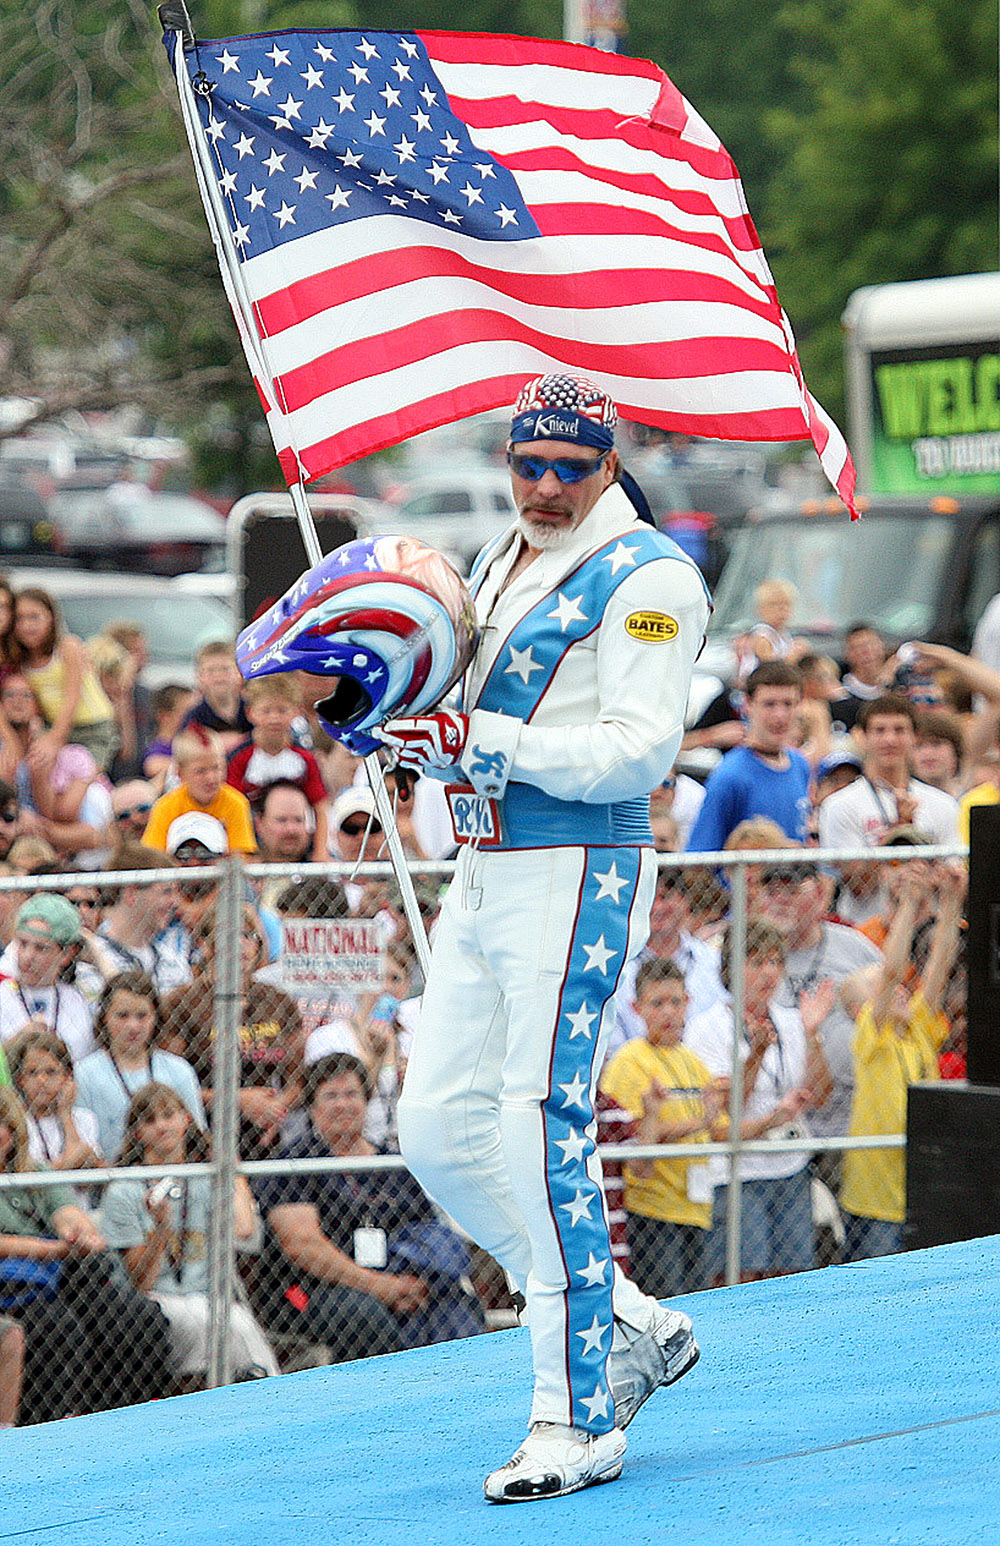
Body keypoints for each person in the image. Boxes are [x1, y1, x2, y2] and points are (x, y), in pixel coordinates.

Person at [372, 374, 711, 1500]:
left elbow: (639, 750)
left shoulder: (650, 574)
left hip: (579, 865)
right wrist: (401, 719)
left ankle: (574, 1418)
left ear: (610, 464)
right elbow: (464, 716)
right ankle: (625, 1323)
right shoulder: (496, 559)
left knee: (539, 1122)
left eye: (572, 465)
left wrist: (488, 737)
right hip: (480, 864)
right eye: (530, 463)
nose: (548, 485)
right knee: (434, 1125)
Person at [256, 1054, 483, 1362]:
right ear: (312, 1106)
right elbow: (302, 1246)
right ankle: (400, 1395)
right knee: (363, 1316)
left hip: (398, 1280)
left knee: (455, 1304)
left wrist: (414, 1284)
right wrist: (378, 1286)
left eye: (351, 1094)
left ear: (366, 1101)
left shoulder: (390, 1164)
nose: (342, 1105)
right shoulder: (295, 1163)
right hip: (310, 1290)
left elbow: (428, 1233)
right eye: (330, 1096)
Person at [0, 1084, 172, 1424]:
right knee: (58, 1327)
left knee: (135, 1316)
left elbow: (64, 1209)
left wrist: (76, 1232)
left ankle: (123, 1416)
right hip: (12, 1283)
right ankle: (52, 1427)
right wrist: (52, 1249)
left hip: (53, 1273)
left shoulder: (33, 1172)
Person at [101, 1082, 279, 1388]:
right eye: (150, 1120)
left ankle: (265, 1388)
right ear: (137, 1133)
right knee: (203, 1318)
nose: (162, 1126)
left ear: (186, 1120)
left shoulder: (204, 1178)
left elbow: (244, 1230)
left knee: (232, 1318)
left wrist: (229, 1166)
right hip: (157, 1302)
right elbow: (140, 1281)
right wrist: (160, 1229)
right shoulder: (124, 1189)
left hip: (208, 1298)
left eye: (169, 1115)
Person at [684, 921, 834, 1282]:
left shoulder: (791, 1020)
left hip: (790, 1168)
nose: (768, 972)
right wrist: (757, 1055)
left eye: (774, 962)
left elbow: (821, 1093)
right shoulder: (707, 1028)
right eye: (755, 962)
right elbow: (727, 1112)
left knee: (794, 1276)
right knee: (744, 1276)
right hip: (739, 1173)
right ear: (732, 969)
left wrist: (813, 1035)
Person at [839, 863, 964, 1259]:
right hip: (876, 1200)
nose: (895, 991)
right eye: (880, 990)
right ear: (863, 1007)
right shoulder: (874, 1038)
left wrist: (951, 900)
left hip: (918, 1183)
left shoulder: (917, 1032)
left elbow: (939, 966)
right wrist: (909, 904)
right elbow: (893, 969)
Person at [600, 960, 727, 1297]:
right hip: (653, 1212)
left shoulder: (691, 1061)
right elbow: (634, 1135)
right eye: (657, 1004)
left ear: (688, 1002)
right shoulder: (631, 1060)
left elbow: (719, 1128)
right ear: (636, 1008)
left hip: (695, 1209)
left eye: (676, 1002)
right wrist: (700, 1121)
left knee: (700, 1303)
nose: (668, 1012)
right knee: (667, 1303)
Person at [159, 905, 303, 1161]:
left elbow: (299, 1078)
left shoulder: (278, 1001)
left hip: (267, 1132)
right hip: (203, 1135)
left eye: (249, 936)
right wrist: (237, 1100)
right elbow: (170, 1085)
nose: (242, 945)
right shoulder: (182, 1003)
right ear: (206, 945)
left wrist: (276, 1109)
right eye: (229, 936)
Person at [817, 693, 960, 923]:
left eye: (899, 730)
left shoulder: (942, 804)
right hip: (865, 931)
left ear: (915, 736)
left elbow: (953, 879)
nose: (890, 740)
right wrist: (900, 831)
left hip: (925, 932)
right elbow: (859, 886)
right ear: (862, 737)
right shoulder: (839, 805)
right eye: (880, 730)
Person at [73, 972, 205, 1162]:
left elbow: (195, 1132)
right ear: (105, 1017)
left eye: (142, 1016)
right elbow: (84, 1143)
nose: (133, 1026)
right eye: (122, 1016)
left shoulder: (179, 1070)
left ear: (155, 1017)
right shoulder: (84, 1073)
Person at [686, 662, 812, 852]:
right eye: (769, 704)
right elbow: (702, 852)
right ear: (748, 705)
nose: (779, 715)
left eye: (788, 704)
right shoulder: (730, 775)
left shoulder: (800, 764)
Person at [606, 867, 725, 1062]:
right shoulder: (617, 968)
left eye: (666, 896)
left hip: (706, 1072)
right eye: (650, 898)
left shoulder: (713, 962)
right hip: (639, 1075)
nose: (658, 907)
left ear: (685, 902)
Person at [10, 587, 117, 771]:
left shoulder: (67, 646)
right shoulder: (22, 659)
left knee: (81, 777)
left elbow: (72, 697)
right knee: (39, 767)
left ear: (51, 618)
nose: (27, 626)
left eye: (34, 617)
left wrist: (54, 738)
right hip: (52, 727)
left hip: (92, 729)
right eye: (20, 619)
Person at [227, 676, 328, 858]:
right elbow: (232, 806)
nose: (274, 718)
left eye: (282, 711)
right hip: (253, 845)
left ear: (296, 712)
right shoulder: (240, 758)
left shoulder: (304, 758)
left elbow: (320, 807)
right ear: (250, 713)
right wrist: (245, 855)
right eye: (266, 711)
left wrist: (320, 852)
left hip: (297, 845)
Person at [76, 842, 191, 1000]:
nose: (175, 902)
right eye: (166, 892)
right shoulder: (90, 960)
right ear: (131, 894)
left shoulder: (172, 962)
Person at [0, 895, 96, 1065]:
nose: (28, 956)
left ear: (67, 954)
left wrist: (95, 947)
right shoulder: (3, 994)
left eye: (41, 948)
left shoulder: (80, 998)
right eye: (22, 944)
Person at [142, 725, 257, 856]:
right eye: (200, 771)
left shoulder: (237, 804)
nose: (211, 778)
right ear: (180, 773)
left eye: (216, 768)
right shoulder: (164, 807)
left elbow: (241, 857)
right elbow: (154, 858)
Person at [7, 1028, 102, 1178]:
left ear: (67, 1076)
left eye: (51, 1072)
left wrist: (65, 1113)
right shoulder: (15, 1124)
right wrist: (70, 1161)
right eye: (32, 1073)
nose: (42, 1080)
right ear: (20, 1080)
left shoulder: (84, 1118)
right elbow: (27, 1176)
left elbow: (85, 1176)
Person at [180, 640, 252, 754]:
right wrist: (216, 743)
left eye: (225, 669)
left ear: (240, 673)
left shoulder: (254, 709)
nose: (218, 677)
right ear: (200, 677)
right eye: (211, 671)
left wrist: (241, 741)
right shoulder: (195, 717)